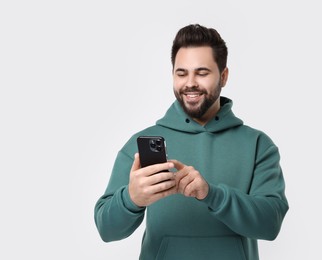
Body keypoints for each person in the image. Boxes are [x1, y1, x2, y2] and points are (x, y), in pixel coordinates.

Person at [94, 24, 289, 260]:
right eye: (181, 73)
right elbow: (106, 230)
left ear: (224, 76)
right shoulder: (141, 143)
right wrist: (131, 199)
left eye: (202, 72)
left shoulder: (258, 145)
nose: (190, 83)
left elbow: (270, 224)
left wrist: (211, 194)